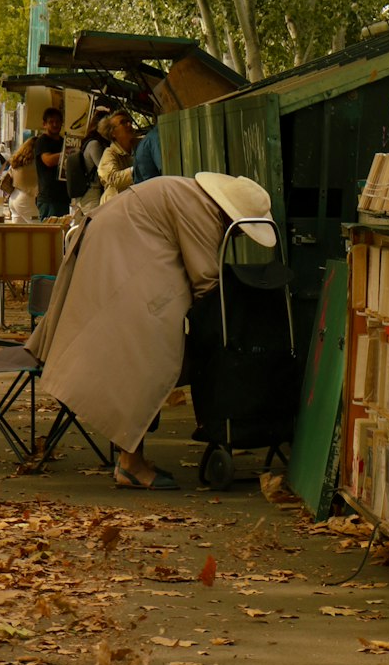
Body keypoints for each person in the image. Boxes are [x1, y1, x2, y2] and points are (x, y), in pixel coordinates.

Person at [26, 172, 276, 489]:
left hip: (118, 246)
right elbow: (206, 280)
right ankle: (131, 463)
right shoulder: (201, 210)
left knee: (145, 352)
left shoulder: (194, 196)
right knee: (147, 355)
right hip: (120, 252)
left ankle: (131, 456)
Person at [34, 108, 70, 219]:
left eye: (58, 121)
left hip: (64, 197)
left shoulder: (64, 141)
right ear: (44, 124)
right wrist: (66, 154)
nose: (55, 124)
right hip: (48, 198)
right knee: (49, 234)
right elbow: (48, 161)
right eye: (51, 122)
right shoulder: (42, 141)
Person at [97, 111, 137, 202]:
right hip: (114, 205)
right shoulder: (109, 153)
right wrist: (136, 170)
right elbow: (113, 178)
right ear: (113, 133)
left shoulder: (140, 144)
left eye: (129, 121)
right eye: (123, 122)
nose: (129, 124)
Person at [7, 135, 39, 223]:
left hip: (14, 197)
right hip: (26, 198)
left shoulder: (18, 160)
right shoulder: (34, 162)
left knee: (18, 234)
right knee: (39, 229)